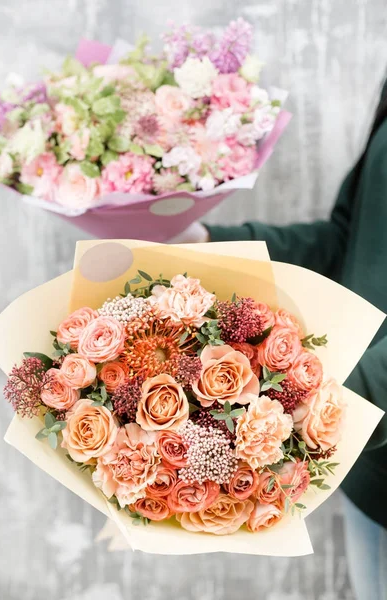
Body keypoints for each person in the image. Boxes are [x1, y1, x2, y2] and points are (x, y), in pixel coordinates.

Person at [183, 83, 387, 600]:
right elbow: (349, 238)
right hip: (365, 458)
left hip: (353, 411)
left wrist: (316, 400)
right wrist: (211, 244)